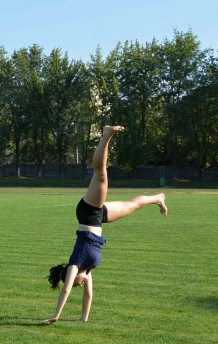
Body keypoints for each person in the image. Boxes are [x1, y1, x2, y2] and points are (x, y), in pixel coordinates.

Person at [41, 126, 168, 324]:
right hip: (99, 219)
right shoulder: (88, 270)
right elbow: (88, 295)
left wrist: (56, 315)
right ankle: (158, 198)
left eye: (75, 284)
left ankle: (106, 135)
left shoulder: (75, 264)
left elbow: (65, 289)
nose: (78, 286)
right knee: (130, 205)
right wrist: (83, 318)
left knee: (101, 174)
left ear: (70, 277)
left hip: (87, 213)